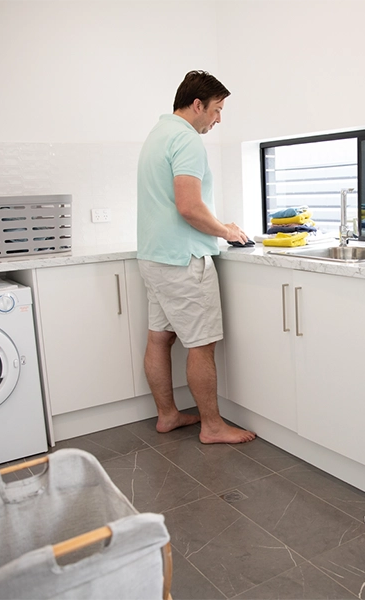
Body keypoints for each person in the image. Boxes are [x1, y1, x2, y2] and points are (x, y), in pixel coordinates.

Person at [136, 70, 256, 444]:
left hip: (154, 257)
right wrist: (227, 230)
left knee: (160, 339)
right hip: (182, 260)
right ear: (197, 104)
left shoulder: (158, 134)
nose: (218, 119)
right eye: (217, 110)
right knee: (201, 344)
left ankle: (168, 415)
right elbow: (189, 207)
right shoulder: (186, 140)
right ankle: (213, 426)